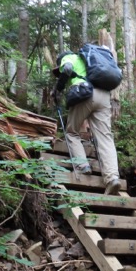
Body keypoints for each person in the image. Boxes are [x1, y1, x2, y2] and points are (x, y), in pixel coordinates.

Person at [53, 49, 121, 195]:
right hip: (104, 96)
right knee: (105, 137)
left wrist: (58, 89)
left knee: (71, 132)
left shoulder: (68, 58)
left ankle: (82, 166)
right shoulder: (88, 59)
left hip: (84, 92)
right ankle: (112, 178)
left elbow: (67, 69)